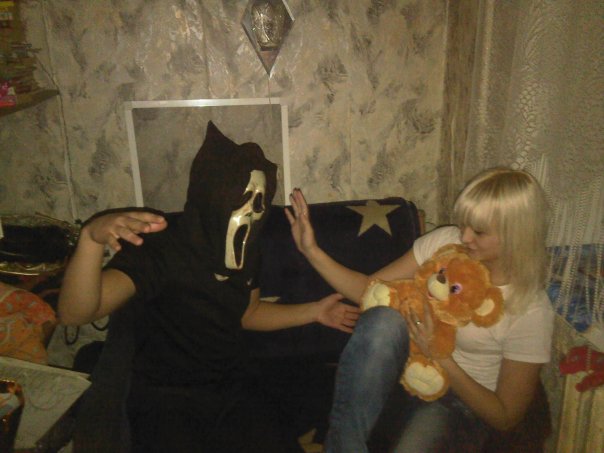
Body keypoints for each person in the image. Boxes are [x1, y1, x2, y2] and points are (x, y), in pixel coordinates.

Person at [58, 121, 360, 453]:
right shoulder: (161, 248)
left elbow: (248, 313)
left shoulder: (247, 250)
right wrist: (91, 239)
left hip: (230, 386)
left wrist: (316, 312)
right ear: (213, 198)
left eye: (259, 203)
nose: (252, 214)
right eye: (242, 200)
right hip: (165, 397)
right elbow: (75, 313)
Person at [286, 167, 554, 452]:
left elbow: (505, 416)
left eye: (479, 231)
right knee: (383, 319)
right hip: (408, 369)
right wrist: (311, 251)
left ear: (515, 235)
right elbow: (371, 290)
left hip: (460, 402)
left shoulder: (531, 309)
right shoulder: (446, 243)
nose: (464, 237)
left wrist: (440, 355)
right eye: (464, 224)